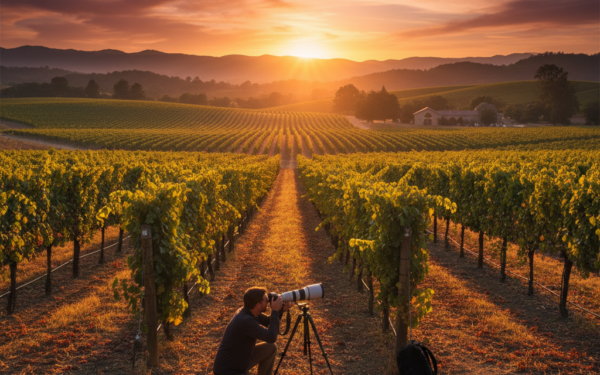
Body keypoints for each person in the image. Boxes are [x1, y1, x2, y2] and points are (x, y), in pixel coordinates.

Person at [213, 287, 293, 375]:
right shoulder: (245, 321)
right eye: (265, 300)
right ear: (257, 305)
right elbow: (271, 337)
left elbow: (268, 321)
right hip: (228, 370)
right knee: (271, 344)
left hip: (241, 358)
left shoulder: (248, 311)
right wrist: (275, 311)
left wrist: (279, 310)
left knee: (270, 348)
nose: (268, 302)